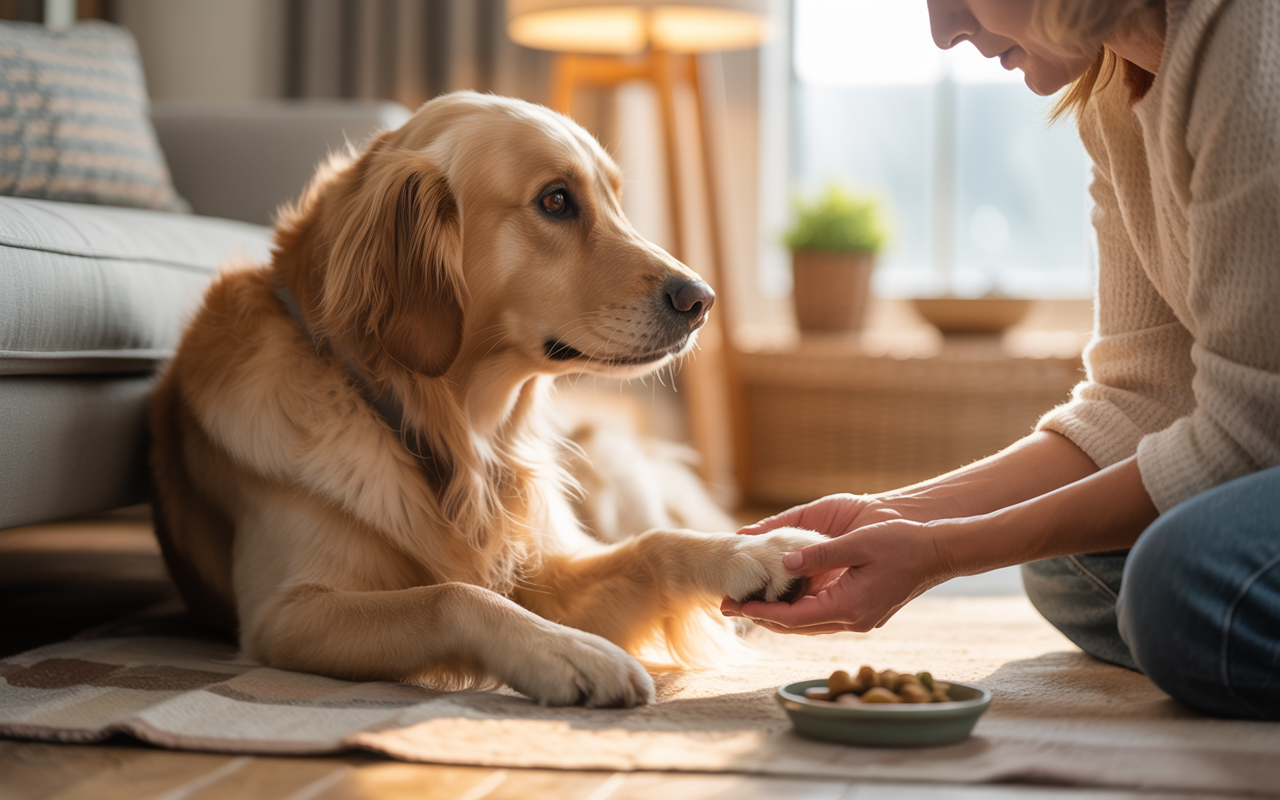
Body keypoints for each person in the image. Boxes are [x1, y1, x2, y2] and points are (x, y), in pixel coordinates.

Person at [722, 0, 1280, 721]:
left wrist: (941, 554)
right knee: (1064, 562)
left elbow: (1247, 442)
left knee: (1176, 585)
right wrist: (896, 515)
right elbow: (1144, 396)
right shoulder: (1116, 94)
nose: (942, 29)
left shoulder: (1247, 38)